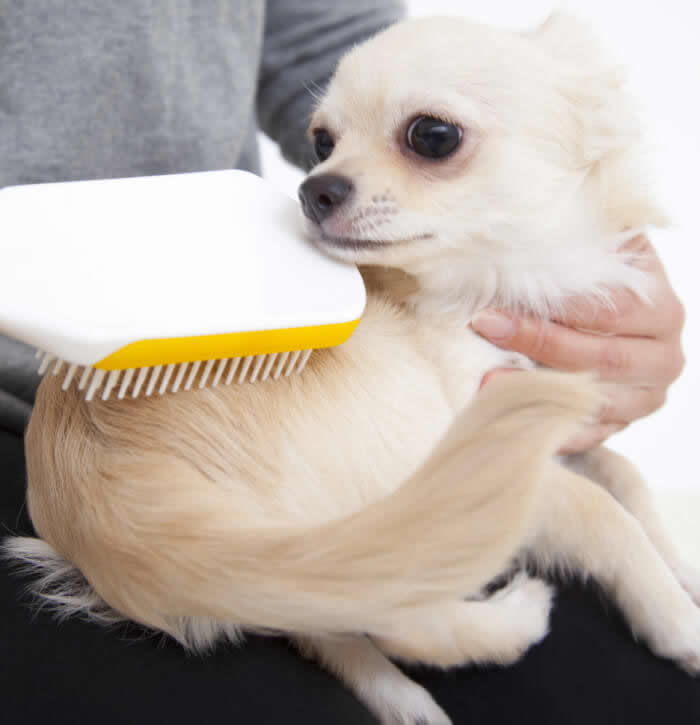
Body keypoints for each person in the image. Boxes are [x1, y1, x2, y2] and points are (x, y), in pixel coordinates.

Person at [0, 2, 694, 723]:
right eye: (323, 143)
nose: (322, 178)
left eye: (431, 138)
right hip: (106, 411)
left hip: (214, 361)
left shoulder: (418, 262)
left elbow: (337, 46)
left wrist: (591, 247)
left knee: (655, 698)